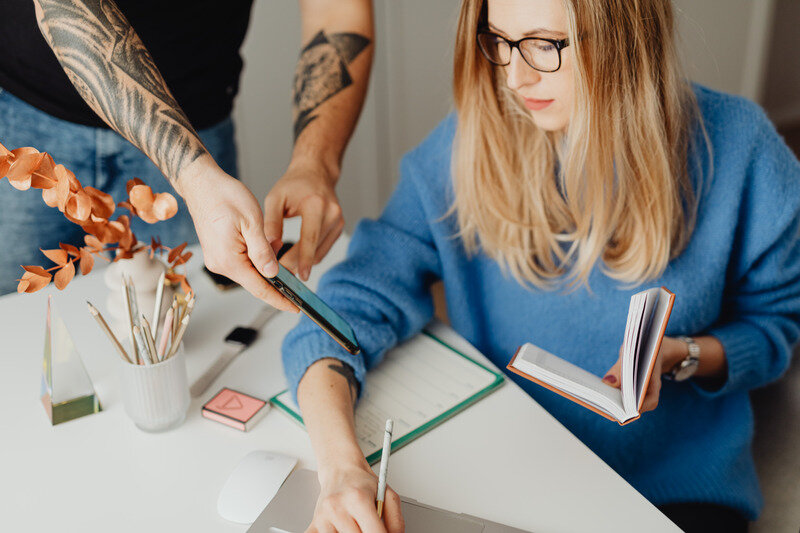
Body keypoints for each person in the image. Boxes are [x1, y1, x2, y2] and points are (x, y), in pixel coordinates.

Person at [280, 0, 800, 532]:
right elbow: (339, 315)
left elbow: (775, 325)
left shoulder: (741, 149)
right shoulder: (469, 144)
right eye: (500, 41)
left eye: (545, 45)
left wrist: (682, 355)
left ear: (624, 35)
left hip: (671, 490)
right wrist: (341, 468)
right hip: (514, 474)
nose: (515, 77)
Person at [0, 0, 373, 303]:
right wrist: (193, 175)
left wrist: (314, 164)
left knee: (195, 314)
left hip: (198, 126)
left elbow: (338, 11)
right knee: (15, 318)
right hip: (27, 122)